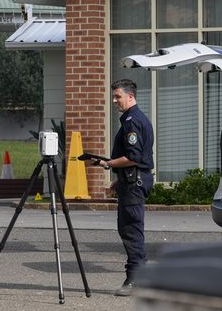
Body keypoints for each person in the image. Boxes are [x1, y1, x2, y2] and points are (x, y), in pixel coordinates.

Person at [95, 79, 155, 297]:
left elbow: (133, 156)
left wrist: (108, 164)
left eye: (117, 96)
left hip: (134, 183)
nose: (114, 101)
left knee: (131, 230)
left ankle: (135, 279)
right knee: (131, 228)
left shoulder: (132, 122)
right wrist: (118, 179)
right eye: (113, 96)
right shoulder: (136, 119)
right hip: (131, 180)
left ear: (130, 96)